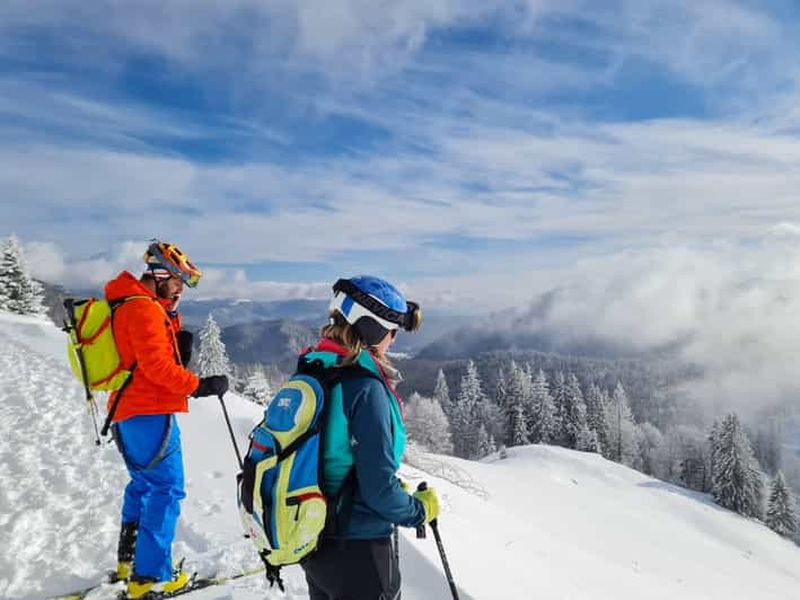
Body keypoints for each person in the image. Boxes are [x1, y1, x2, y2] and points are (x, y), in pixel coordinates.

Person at [299, 275, 441, 600]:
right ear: (374, 329)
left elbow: (334, 458)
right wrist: (420, 511)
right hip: (359, 550)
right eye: (392, 331)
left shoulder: (315, 370)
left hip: (315, 544)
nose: (394, 340)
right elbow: (378, 492)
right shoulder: (365, 388)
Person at [104, 240, 228, 599]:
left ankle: (130, 564)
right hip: (147, 411)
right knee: (166, 489)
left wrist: (170, 318)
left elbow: (146, 358)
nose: (179, 290)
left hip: (130, 411)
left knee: (143, 486)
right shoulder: (142, 309)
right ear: (159, 274)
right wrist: (200, 385)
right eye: (176, 282)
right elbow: (157, 368)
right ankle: (150, 578)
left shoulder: (134, 304)